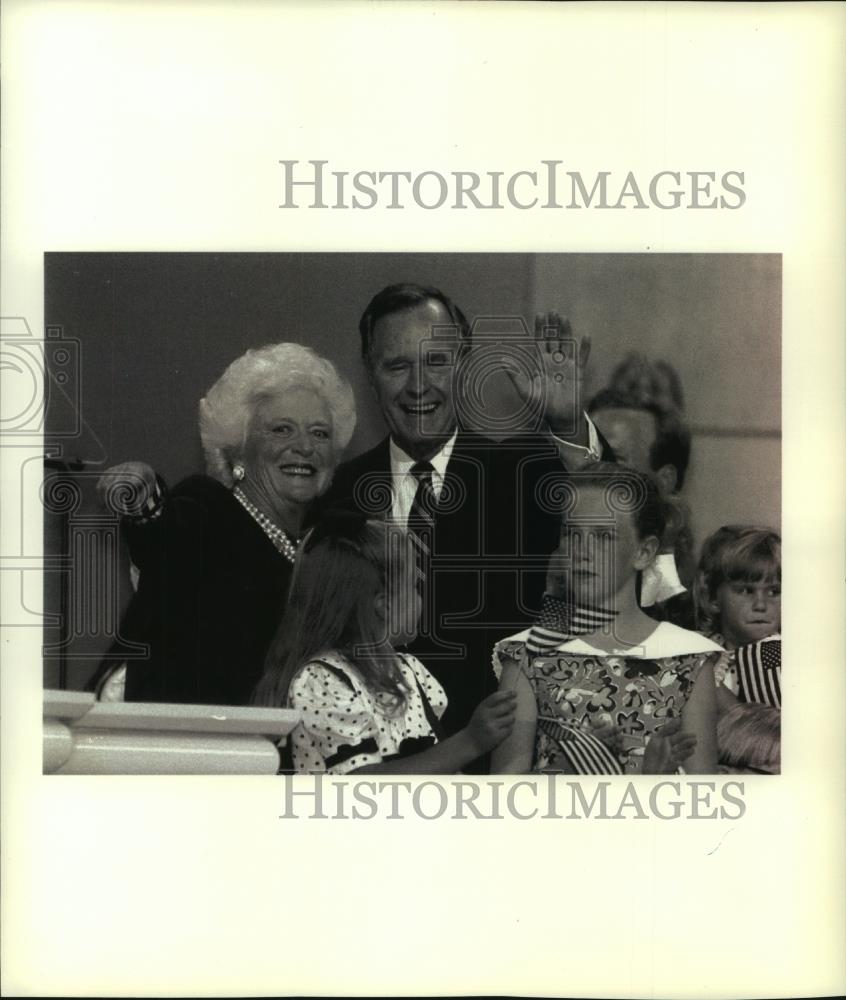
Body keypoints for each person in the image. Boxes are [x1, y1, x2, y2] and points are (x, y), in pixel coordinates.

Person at [323, 284, 611, 743]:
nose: (419, 386)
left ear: (464, 364)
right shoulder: (336, 493)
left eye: (437, 361)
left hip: (501, 763)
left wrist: (567, 424)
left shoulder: (523, 476)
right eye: (398, 365)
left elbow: (617, 532)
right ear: (370, 373)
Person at [92, 342, 356, 707]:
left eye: (320, 433)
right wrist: (143, 501)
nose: (305, 447)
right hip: (174, 737)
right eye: (282, 429)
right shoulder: (208, 508)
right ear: (237, 449)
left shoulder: (320, 548)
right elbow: (164, 534)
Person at [490, 462, 722, 775]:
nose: (582, 552)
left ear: (643, 552)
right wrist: (566, 769)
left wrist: (652, 780)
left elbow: (703, 805)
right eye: (572, 534)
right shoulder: (526, 655)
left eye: (603, 536)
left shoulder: (690, 658)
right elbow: (503, 801)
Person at [253, 512, 516, 773]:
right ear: (383, 605)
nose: (420, 600)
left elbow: (438, 763)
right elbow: (359, 783)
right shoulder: (322, 679)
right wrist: (470, 742)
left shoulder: (409, 671)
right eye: (414, 587)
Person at [587, 387, 696, 623]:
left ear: (664, 481)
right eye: (587, 456)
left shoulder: (691, 596)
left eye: (613, 459)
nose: (590, 472)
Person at [692, 525, 781, 707]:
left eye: (774, 592)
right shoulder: (698, 649)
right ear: (713, 598)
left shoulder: (779, 656)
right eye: (747, 590)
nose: (761, 605)